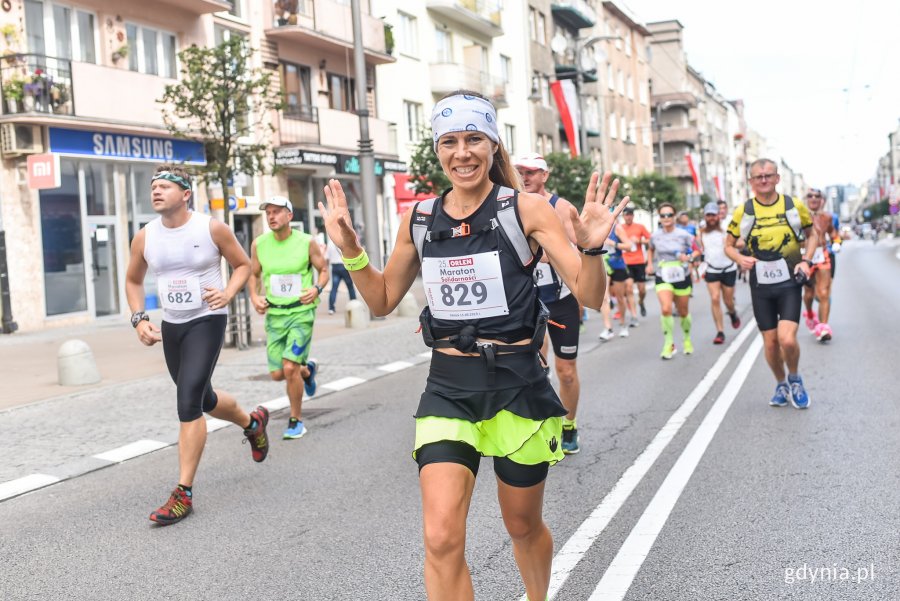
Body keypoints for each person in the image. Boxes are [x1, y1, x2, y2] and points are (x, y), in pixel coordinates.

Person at [318, 91, 628, 601]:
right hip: (449, 386)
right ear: (438, 151)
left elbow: (590, 295)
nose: (462, 152)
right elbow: (382, 299)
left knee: (523, 526)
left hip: (516, 384)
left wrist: (591, 246)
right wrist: (350, 250)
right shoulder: (419, 219)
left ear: (492, 146)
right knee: (440, 537)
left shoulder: (524, 208)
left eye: (473, 140)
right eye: (450, 142)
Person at [124, 164, 270, 526]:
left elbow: (243, 265)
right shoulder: (145, 236)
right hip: (173, 327)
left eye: (164, 186)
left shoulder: (210, 228)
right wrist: (139, 318)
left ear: (185, 194)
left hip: (207, 320)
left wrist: (227, 293)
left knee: (188, 401)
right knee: (202, 398)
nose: (155, 191)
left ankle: (182, 494)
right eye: (153, 186)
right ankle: (252, 424)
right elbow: (132, 280)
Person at [725, 159, 818, 409]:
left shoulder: (793, 205)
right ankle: (781, 384)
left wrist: (806, 260)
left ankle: (795, 379)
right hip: (761, 285)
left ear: (777, 178)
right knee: (770, 342)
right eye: (758, 177)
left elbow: (813, 234)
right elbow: (728, 245)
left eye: (768, 176)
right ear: (751, 182)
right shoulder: (744, 211)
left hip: (789, 281)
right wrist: (739, 257)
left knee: (787, 339)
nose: (764, 180)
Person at [514, 152, 584, 455]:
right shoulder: (512, 205)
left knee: (565, 370)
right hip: (528, 303)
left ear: (545, 175)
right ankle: (541, 426)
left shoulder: (562, 207)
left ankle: (569, 425)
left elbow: (579, 252)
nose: (525, 177)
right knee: (533, 368)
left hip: (560, 301)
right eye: (520, 172)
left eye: (531, 172)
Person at [249, 196, 328, 440]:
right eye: (268, 213)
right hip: (275, 315)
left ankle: (296, 420)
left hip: (301, 312)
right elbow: (254, 274)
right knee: (277, 373)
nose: (271, 216)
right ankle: (307, 371)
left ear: (289, 216)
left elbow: (324, 270)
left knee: (288, 367)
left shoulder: (307, 242)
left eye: (276, 212)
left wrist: (316, 289)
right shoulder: (259, 244)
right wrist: (254, 296)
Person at [646, 203, 699, 359]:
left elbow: (697, 249)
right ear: (659, 218)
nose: (666, 218)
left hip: (681, 274)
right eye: (663, 215)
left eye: (669, 215)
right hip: (663, 274)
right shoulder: (655, 235)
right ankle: (669, 343)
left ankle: (687, 339)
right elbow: (650, 249)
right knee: (666, 309)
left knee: (683, 311)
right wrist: (649, 263)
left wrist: (688, 257)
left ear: (675, 216)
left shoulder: (685, 235)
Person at [698, 202, 740, 344]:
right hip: (712, 269)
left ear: (718, 216)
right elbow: (699, 249)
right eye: (708, 215)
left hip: (728, 268)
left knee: (728, 301)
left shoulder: (727, 229)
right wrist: (694, 259)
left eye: (713, 215)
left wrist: (730, 242)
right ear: (705, 216)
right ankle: (720, 331)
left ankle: (733, 313)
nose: (711, 218)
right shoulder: (702, 232)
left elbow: (741, 243)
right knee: (715, 298)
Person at [800, 188, 837, 342]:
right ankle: (809, 313)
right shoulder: (799, 216)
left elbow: (834, 234)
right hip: (805, 257)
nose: (814, 199)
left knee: (823, 293)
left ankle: (823, 327)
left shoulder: (827, 217)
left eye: (817, 196)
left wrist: (837, 242)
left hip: (822, 256)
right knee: (809, 294)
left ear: (822, 200)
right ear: (806, 199)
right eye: (810, 196)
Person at [605, 223, 638, 335]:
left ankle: (623, 324)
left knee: (620, 297)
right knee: (604, 298)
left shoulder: (616, 228)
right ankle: (608, 328)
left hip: (617, 265)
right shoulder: (593, 226)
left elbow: (629, 246)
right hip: (602, 265)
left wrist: (613, 243)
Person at [620, 206, 652, 317]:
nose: (628, 217)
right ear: (623, 216)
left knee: (642, 289)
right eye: (626, 215)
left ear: (633, 216)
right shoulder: (620, 228)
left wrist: (639, 240)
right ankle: (633, 313)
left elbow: (650, 240)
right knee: (628, 288)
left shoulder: (640, 227)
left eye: (630, 215)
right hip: (625, 261)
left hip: (639, 261)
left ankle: (641, 302)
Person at [326, 234, 357, 314]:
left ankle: (331, 308)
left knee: (334, 288)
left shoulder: (330, 243)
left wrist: (326, 269)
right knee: (350, 286)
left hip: (334, 267)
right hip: (344, 266)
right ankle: (354, 306)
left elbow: (327, 258)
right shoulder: (343, 242)